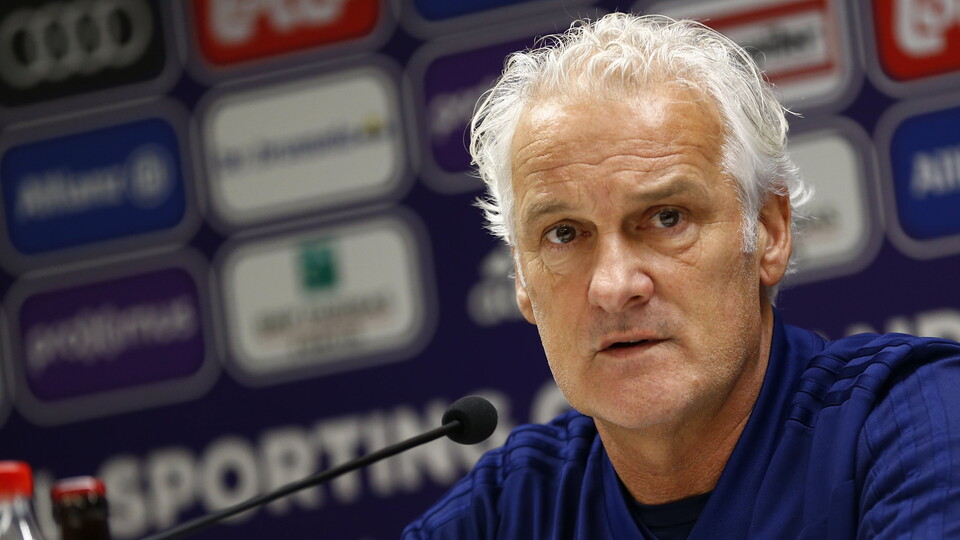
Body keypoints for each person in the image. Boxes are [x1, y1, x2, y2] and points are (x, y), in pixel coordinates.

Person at [403, 12, 960, 539]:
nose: (614, 287)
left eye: (667, 218)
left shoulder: (918, 423)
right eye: (565, 234)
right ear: (522, 279)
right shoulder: (502, 514)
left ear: (768, 230)